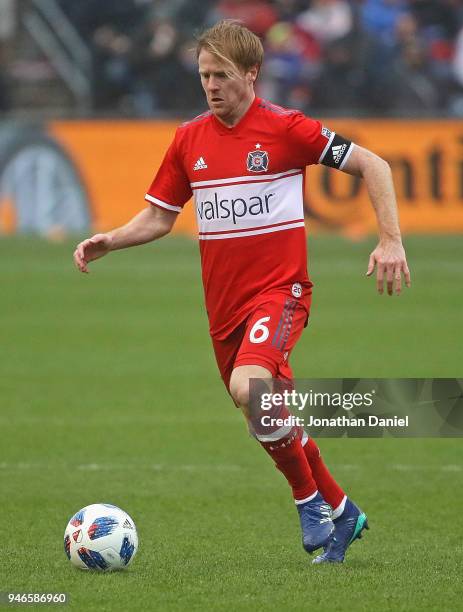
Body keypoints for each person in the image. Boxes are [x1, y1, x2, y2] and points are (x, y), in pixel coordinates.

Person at [74, 20, 411, 564]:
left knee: (250, 388)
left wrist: (390, 239)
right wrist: (111, 240)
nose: (210, 86)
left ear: (251, 74)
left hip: (281, 294)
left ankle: (308, 502)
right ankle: (342, 510)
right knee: (267, 413)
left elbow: (375, 164)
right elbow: (161, 216)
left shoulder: (287, 129)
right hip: (224, 310)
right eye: (204, 75)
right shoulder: (189, 139)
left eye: (221, 75)